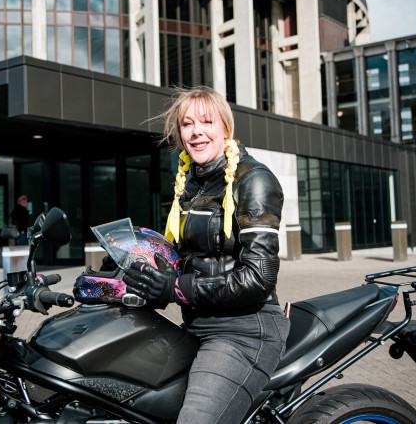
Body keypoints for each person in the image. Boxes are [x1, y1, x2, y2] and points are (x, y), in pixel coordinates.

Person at [122, 86, 290, 423]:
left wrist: (175, 288)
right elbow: (185, 257)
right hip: (198, 324)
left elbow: (259, 277)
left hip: (243, 331)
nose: (196, 132)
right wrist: (124, 270)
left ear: (225, 127)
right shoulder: (193, 182)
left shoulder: (254, 180)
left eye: (206, 122)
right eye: (187, 124)